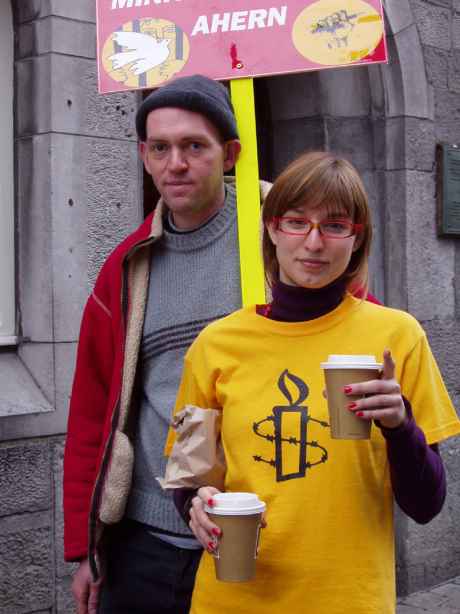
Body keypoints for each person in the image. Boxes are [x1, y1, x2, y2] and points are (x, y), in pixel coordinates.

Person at [170, 151, 460, 614]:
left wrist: (400, 426)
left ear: (356, 240)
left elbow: (427, 505)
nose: (313, 242)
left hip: (348, 598)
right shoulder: (216, 344)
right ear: (271, 228)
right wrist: (195, 504)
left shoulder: (397, 337)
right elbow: (190, 473)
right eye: (296, 222)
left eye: (335, 225)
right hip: (234, 598)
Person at [63, 74, 247, 614]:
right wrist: (85, 548)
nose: (176, 164)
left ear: (230, 153)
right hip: (148, 541)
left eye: (195, 146)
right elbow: (92, 414)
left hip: (254, 524)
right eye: (161, 148)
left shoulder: (281, 239)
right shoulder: (126, 267)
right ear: (144, 155)